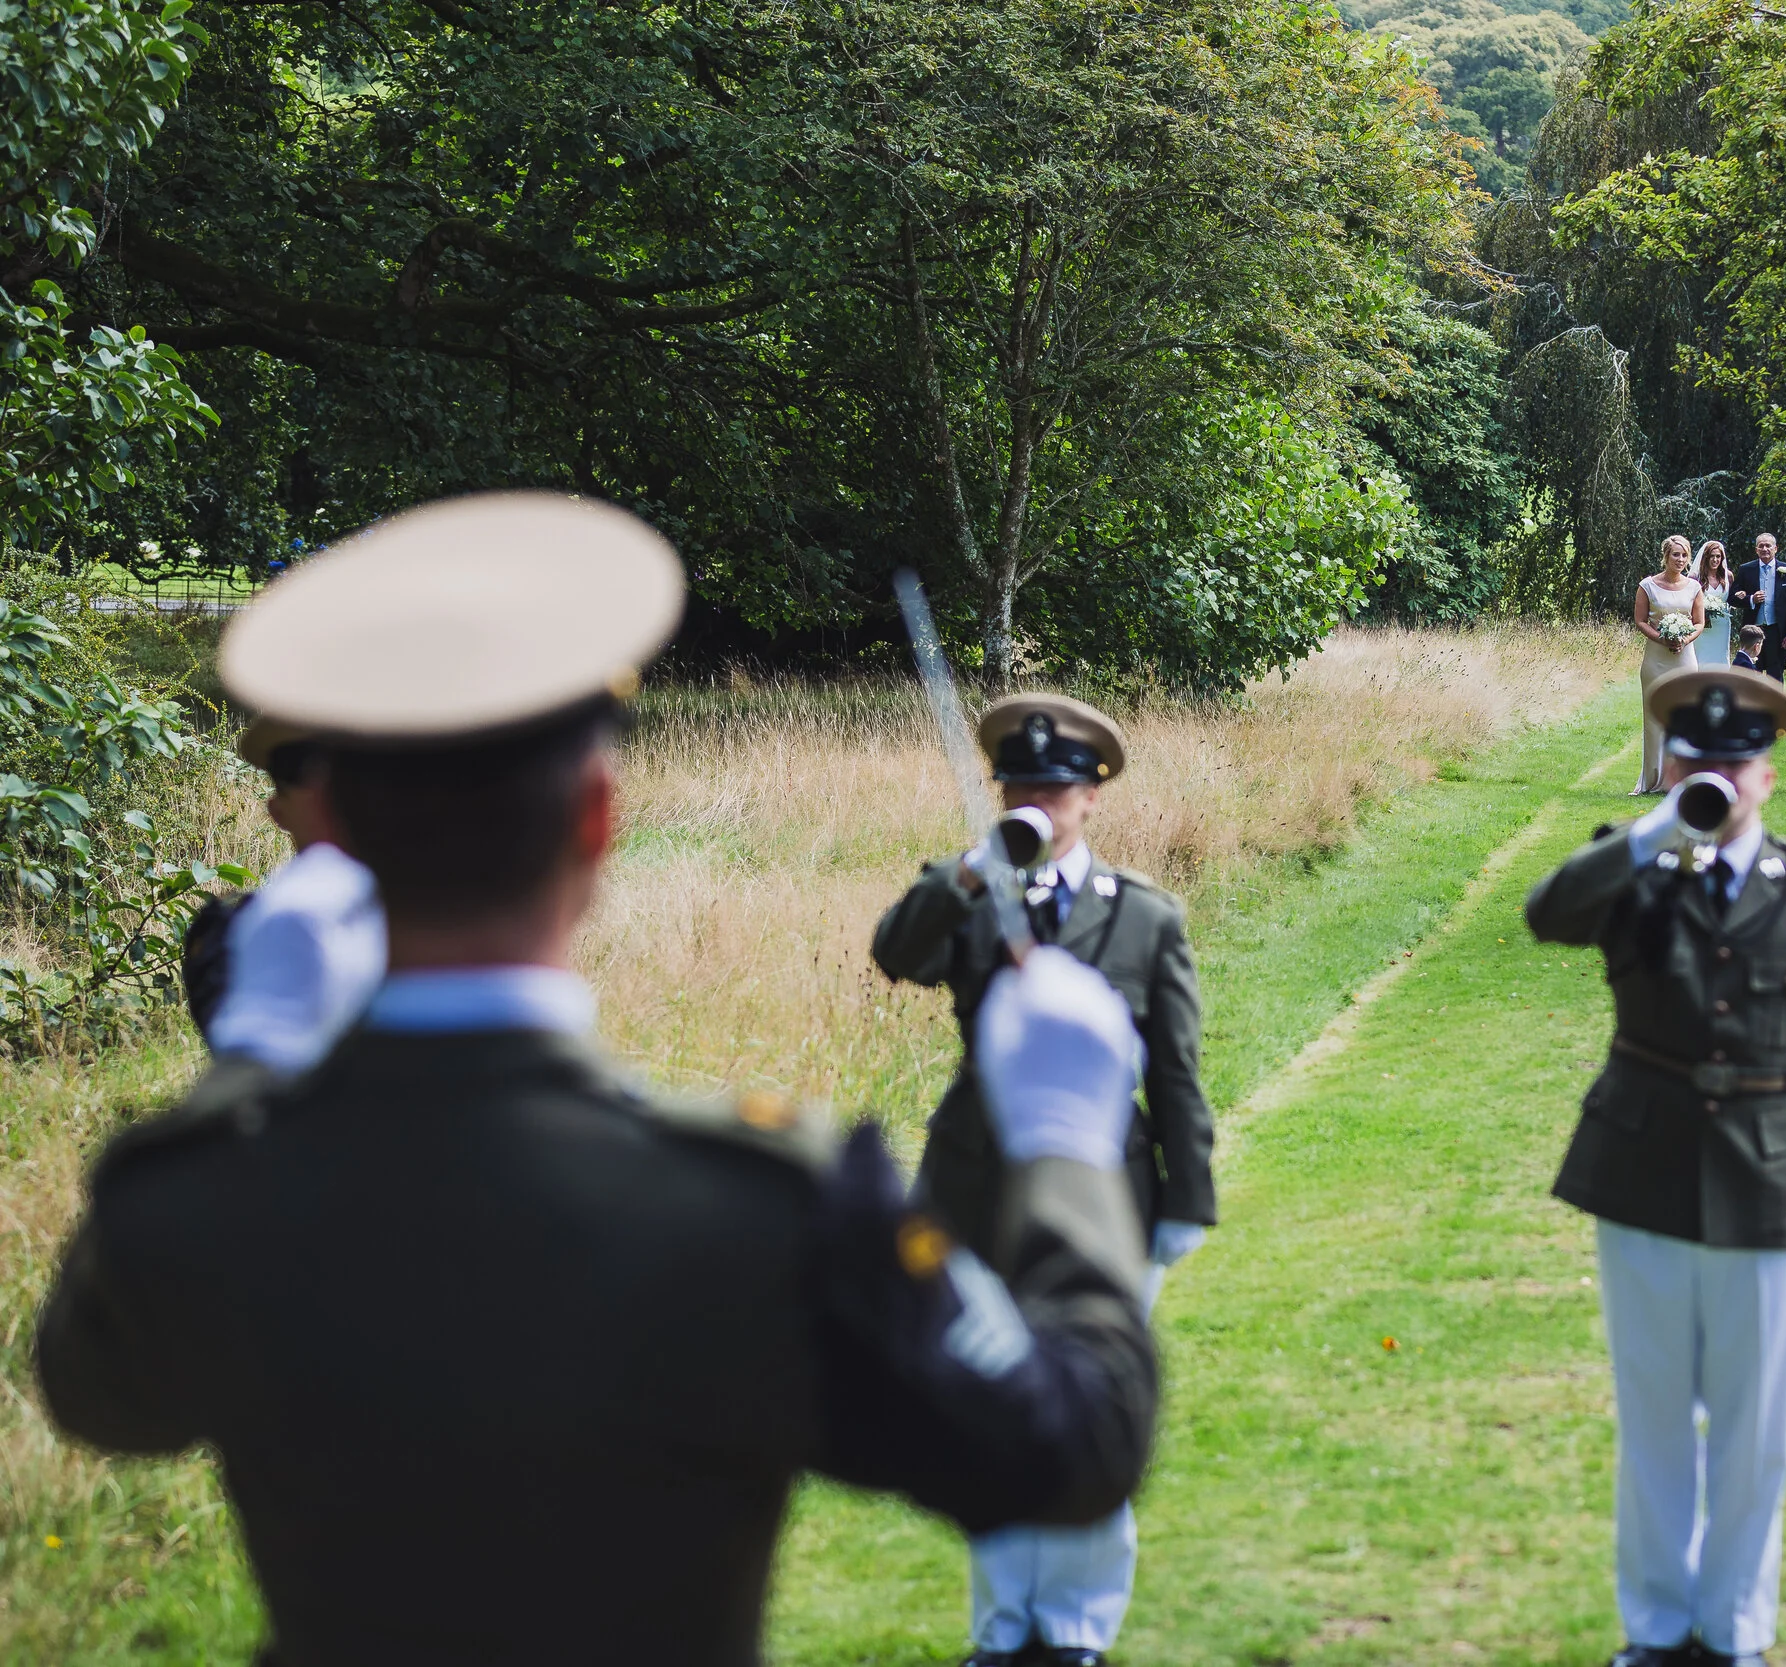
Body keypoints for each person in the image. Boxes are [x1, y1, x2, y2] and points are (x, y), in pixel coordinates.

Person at [39, 492, 1161, 1667]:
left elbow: (95, 1392)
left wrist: (255, 1064)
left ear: (327, 832)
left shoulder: (200, 1193)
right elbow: (1073, 1443)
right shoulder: (768, 1203)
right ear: (595, 818)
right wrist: (1069, 1143)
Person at [1525, 666, 1786, 1667]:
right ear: (1671, 765)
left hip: (1770, 1184)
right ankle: (1654, 1625)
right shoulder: (1631, 865)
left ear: (1766, 775)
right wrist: (1653, 831)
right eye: (1693, 759)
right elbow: (1544, 913)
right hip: (1638, 1174)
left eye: (1733, 763)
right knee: (1652, 1417)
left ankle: (1733, 1629)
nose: (1715, 777)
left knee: (1755, 1428)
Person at [873, 692, 1216, 1667]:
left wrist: (1185, 1199)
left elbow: (1178, 1069)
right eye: (1018, 783)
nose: (1035, 799)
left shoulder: (1144, 916)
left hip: (1108, 1196)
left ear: (1091, 797)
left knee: (1088, 1401)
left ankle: (1073, 1624)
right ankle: (1003, 1626)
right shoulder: (972, 891)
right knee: (988, 1401)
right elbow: (897, 951)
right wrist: (971, 869)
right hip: (979, 1183)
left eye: (1053, 787)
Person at [179, 718, 387, 1072]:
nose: (332, 793)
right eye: (306, 770)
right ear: (277, 814)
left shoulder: (240, 933)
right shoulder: (235, 934)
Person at [1632, 537, 1706, 794]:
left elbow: (1699, 623)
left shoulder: (1694, 587)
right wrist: (1661, 638)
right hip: (1656, 658)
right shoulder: (1648, 586)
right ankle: (1654, 777)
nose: (1681, 560)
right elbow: (1640, 620)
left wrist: (1684, 639)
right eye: (1676, 554)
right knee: (1655, 717)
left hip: (1685, 658)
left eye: (1685, 555)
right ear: (1666, 556)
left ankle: (1681, 778)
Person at [1731, 534, 1786, 684]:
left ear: (1775, 549)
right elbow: (1732, 598)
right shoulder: (1746, 569)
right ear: (1756, 549)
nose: (1764, 549)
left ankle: (1776, 707)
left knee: (1775, 676)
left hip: (1777, 631)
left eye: (1768, 545)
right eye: (1761, 546)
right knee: (1750, 675)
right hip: (1752, 630)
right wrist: (1751, 599)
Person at [1692, 541, 1734, 666]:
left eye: (1718, 556)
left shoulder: (1728, 576)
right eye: (1712, 556)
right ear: (1706, 557)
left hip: (1722, 625)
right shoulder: (1695, 577)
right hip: (1702, 625)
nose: (1715, 560)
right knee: (1701, 655)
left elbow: (1732, 599)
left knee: (1720, 655)